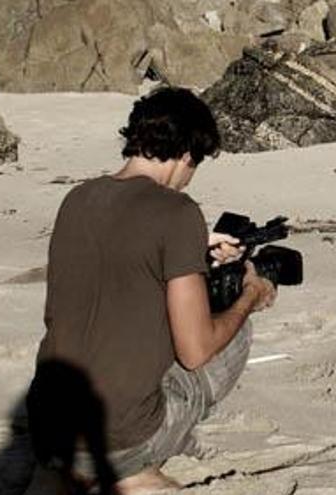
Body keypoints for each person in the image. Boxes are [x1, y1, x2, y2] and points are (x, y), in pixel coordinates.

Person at [26, 87, 277, 494]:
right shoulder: (177, 211)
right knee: (228, 330)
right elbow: (195, 350)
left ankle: (66, 471)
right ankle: (135, 472)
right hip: (121, 436)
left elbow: (119, 257)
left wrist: (194, 247)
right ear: (187, 156)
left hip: (49, 427)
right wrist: (250, 295)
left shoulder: (78, 198)